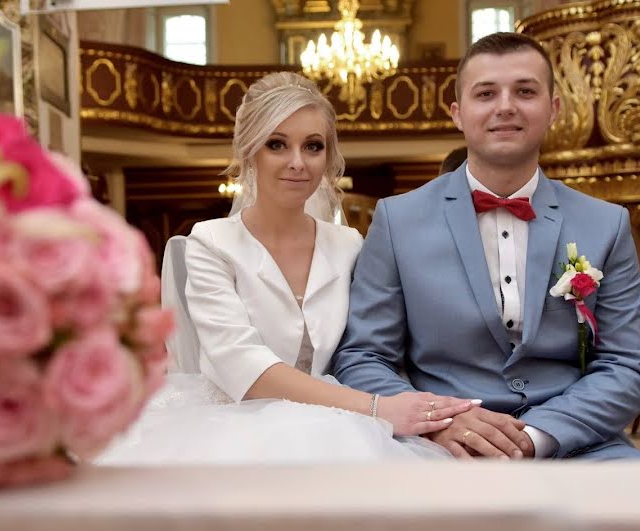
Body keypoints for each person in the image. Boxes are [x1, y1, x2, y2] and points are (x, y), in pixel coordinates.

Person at [97, 72, 474, 465]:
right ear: (249, 152)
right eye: (277, 144)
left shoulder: (348, 244)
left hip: (343, 425)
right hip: (234, 423)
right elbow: (242, 364)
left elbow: (369, 346)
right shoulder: (211, 242)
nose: (298, 163)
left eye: (313, 146)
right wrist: (377, 408)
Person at [331, 33, 640, 460]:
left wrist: (535, 436)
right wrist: (436, 421)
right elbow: (363, 356)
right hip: (439, 444)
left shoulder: (606, 224)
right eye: (486, 93)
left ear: (553, 109)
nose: (506, 106)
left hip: (574, 443)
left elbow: (628, 365)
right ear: (458, 114)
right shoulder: (397, 220)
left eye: (525, 91)